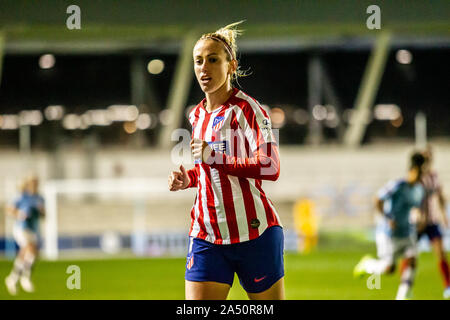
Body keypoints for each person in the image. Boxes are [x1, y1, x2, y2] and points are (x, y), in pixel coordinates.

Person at [168, 21, 285, 300]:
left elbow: (271, 166)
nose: (203, 68)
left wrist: (214, 157)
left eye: (212, 60)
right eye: (198, 61)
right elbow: (210, 168)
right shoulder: (196, 115)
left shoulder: (249, 110)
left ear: (231, 66)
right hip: (206, 235)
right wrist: (191, 179)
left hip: (254, 234)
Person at [354, 152, 426, 300]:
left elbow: (416, 208)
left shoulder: (419, 190)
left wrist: (419, 219)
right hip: (388, 234)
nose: (419, 178)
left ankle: (402, 296)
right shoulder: (397, 186)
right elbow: (377, 199)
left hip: (407, 232)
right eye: (418, 174)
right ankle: (367, 264)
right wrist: (387, 218)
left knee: (412, 260)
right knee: (389, 268)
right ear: (411, 171)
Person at [416, 146, 450, 298]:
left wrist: (443, 215)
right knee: (409, 255)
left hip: (431, 222)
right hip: (417, 223)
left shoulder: (434, 176)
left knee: (441, 254)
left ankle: (448, 286)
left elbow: (440, 196)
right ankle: (405, 286)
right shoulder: (416, 177)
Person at [4, 174, 45, 295]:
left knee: (30, 254)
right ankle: (25, 278)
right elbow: (9, 209)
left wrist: (41, 211)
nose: (34, 184)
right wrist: (19, 214)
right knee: (29, 248)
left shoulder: (40, 198)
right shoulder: (22, 197)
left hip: (34, 229)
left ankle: (13, 278)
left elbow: (44, 215)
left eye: (36, 182)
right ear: (28, 183)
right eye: (32, 182)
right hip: (21, 228)